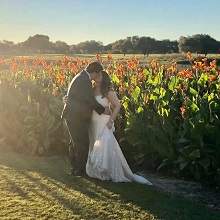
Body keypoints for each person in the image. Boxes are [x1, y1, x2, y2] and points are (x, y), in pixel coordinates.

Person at [86, 70, 152, 185]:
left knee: (105, 145)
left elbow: (117, 105)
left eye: (100, 75)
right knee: (94, 144)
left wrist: (111, 120)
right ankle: (97, 171)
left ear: (104, 77)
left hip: (104, 122)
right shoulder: (91, 90)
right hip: (93, 122)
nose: (97, 77)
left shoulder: (107, 90)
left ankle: (107, 172)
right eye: (96, 75)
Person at [61, 61, 110, 176]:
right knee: (81, 144)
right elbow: (89, 100)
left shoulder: (80, 76)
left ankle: (75, 168)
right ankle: (80, 170)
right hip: (76, 117)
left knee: (75, 143)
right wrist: (103, 110)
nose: (96, 78)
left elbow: (78, 97)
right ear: (94, 72)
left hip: (73, 115)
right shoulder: (84, 80)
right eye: (97, 75)